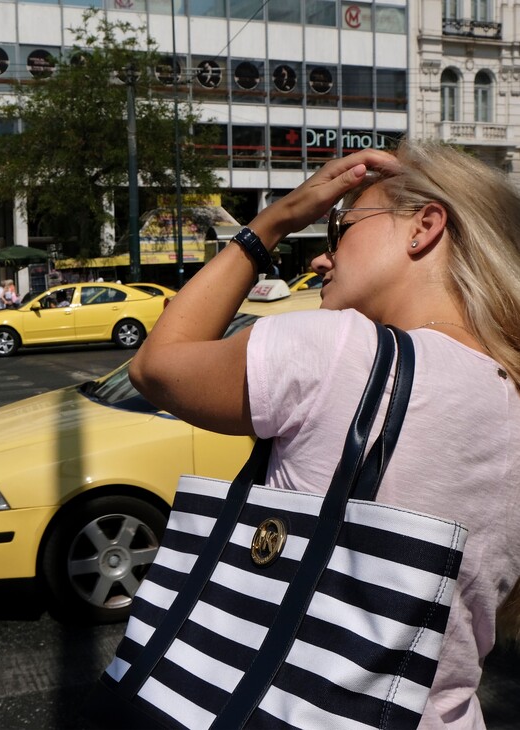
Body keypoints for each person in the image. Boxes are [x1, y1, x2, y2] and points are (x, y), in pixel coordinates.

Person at [128, 140, 520, 727]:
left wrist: (277, 219)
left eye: (341, 227)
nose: (320, 258)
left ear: (424, 227)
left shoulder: (338, 351)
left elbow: (155, 367)